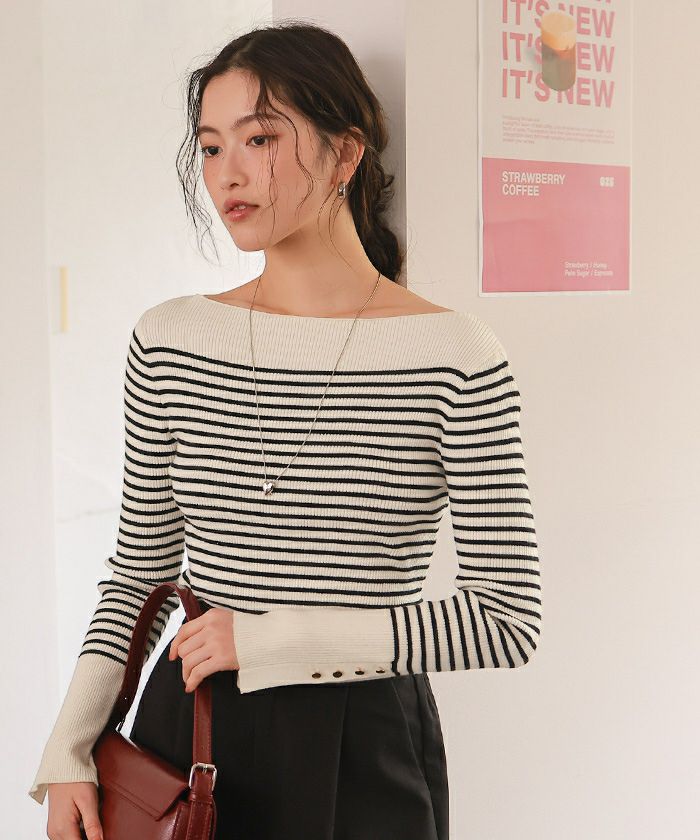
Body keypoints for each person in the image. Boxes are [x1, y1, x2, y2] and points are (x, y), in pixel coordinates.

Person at [28, 20, 542, 840]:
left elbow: (505, 618)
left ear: (345, 156)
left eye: (259, 139)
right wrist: (70, 747)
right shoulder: (171, 341)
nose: (227, 173)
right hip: (190, 732)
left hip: (361, 744)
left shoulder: (453, 356)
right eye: (210, 147)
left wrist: (274, 642)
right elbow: (138, 574)